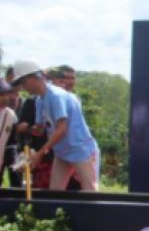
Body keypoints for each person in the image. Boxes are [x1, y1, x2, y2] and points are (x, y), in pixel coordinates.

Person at [11, 60, 99, 191]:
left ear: (33, 77)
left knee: (89, 190)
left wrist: (40, 153)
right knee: (55, 191)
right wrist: (27, 156)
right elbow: (40, 130)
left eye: (24, 82)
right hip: (62, 151)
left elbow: (62, 128)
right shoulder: (40, 99)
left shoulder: (56, 96)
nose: (24, 87)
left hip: (80, 150)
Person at [0, 79, 19, 186]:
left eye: (7, 93)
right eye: (2, 94)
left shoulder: (10, 115)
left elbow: (12, 142)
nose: (6, 97)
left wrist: (13, 158)